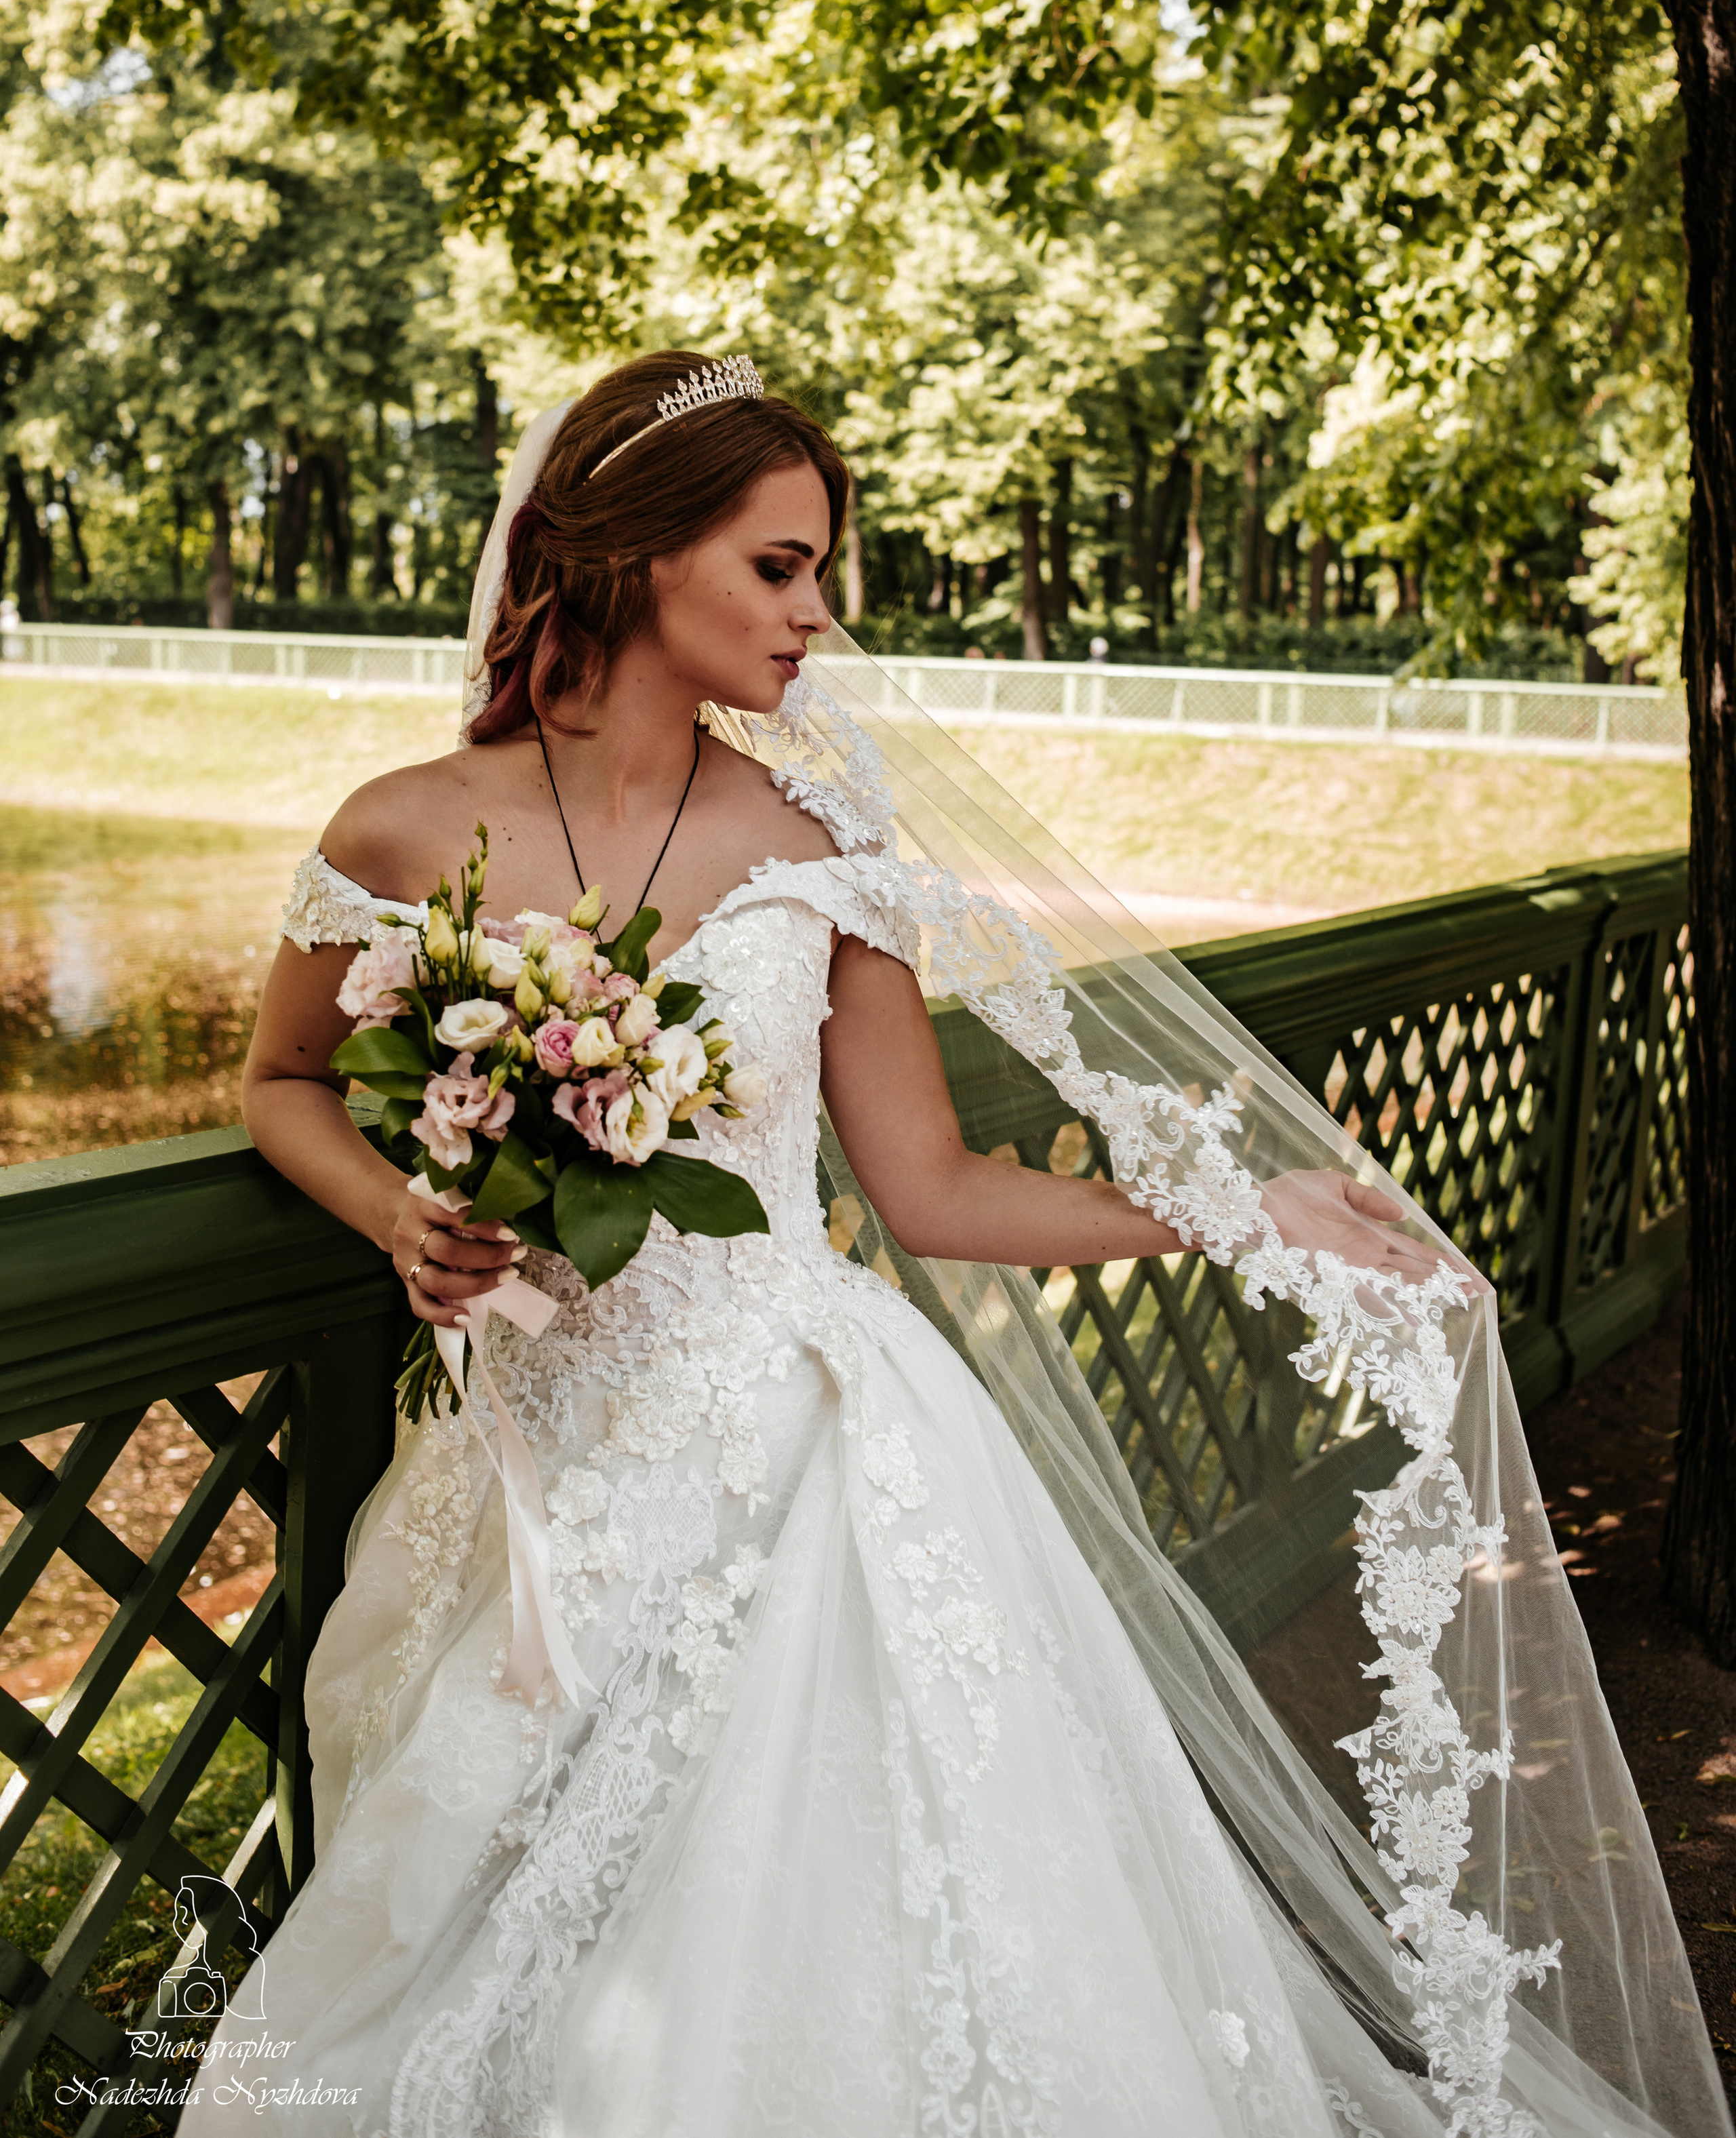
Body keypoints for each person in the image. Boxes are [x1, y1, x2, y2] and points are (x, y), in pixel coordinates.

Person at [186, 355, 1724, 2137]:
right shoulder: (402, 828)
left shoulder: (821, 839)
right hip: (548, 1450)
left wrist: (1243, 1212)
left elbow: (934, 1185)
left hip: (812, 1445)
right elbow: (283, 1077)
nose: (819, 612)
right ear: (630, 552)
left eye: (819, 564)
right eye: (777, 564)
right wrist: (399, 1210)